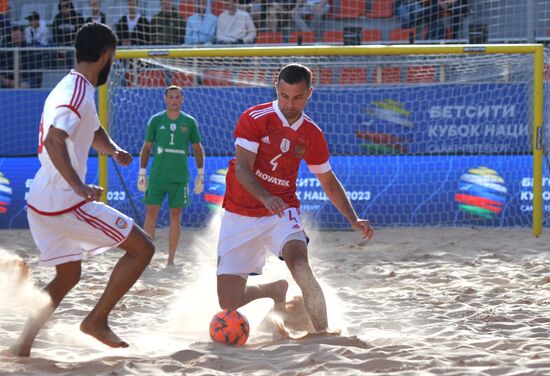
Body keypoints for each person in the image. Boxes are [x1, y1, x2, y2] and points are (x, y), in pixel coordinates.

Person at [4, 22, 155, 357]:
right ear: (106, 57)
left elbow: (91, 129)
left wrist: (113, 149)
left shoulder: (76, 86)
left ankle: (21, 345)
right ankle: (96, 320)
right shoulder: (76, 93)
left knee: (68, 275)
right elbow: (54, 139)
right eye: (113, 58)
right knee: (143, 249)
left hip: (43, 201)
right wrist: (79, 186)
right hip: (65, 201)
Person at [216, 63, 374, 333]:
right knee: (228, 303)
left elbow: (327, 180)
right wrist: (265, 196)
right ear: (276, 88)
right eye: (285, 96)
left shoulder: (312, 133)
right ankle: (274, 289)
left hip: (282, 211)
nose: (290, 104)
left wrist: (352, 216)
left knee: (300, 264)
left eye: (298, 97)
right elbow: (242, 169)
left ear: (309, 93)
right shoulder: (255, 118)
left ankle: (323, 333)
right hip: (240, 211)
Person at [137, 86, 205, 267]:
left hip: (180, 178)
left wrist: (200, 174)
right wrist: (142, 172)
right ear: (165, 99)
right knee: (151, 214)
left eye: (177, 97)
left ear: (182, 100)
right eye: (171, 97)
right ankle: (145, 258)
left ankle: (171, 259)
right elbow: (147, 147)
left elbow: (198, 148)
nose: (174, 100)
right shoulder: (156, 120)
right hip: (158, 176)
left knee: (176, 217)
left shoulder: (189, 122)